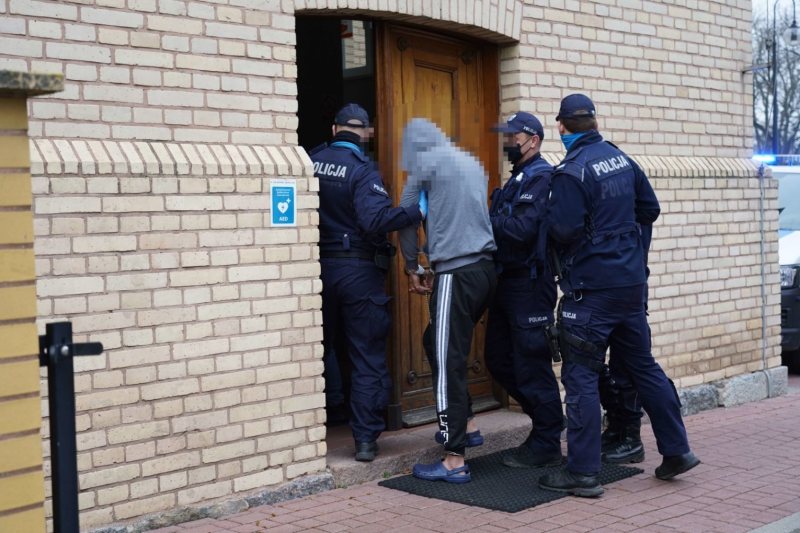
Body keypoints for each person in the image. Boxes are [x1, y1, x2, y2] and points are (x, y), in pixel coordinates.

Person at [539, 94, 700, 497]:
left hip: (591, 291)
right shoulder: (621, 160)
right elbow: (650, 209)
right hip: (630, 287)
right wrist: (630, 252)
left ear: (561, 127)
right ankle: (677, 451)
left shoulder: (572, 171)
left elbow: (563, 231)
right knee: (644, 366)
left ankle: (582, 472)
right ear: (595, 122)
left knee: (580, 375)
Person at [310, 103, 425, 462]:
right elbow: (375, 220)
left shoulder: (310, 160)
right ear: (365, 134)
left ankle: (318, 426)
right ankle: (364, 439)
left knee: (318, 349)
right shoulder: (362, 170)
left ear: (334, 130)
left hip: (315, 272)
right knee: (366, 353)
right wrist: (416, 211)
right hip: (357, 272)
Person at [397, 118, 497, 483]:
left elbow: (407, 217)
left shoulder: (424, 166)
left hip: (456, 272)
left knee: (446, 360)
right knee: (436, 342)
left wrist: (412, 266)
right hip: (485, 271)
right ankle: (467, 424)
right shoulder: (471, 164)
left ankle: (454, 459)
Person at [484, 112, 563, 469]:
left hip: (530, 284)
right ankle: (547, 422)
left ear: (533, 140)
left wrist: (483, 219)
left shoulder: (541, 177)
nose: (507, 142)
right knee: (498, 360)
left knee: (532, 364)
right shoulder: (517, 178)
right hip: (507, 282)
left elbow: (521, 230)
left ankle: (547, 440)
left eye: (513, 136)